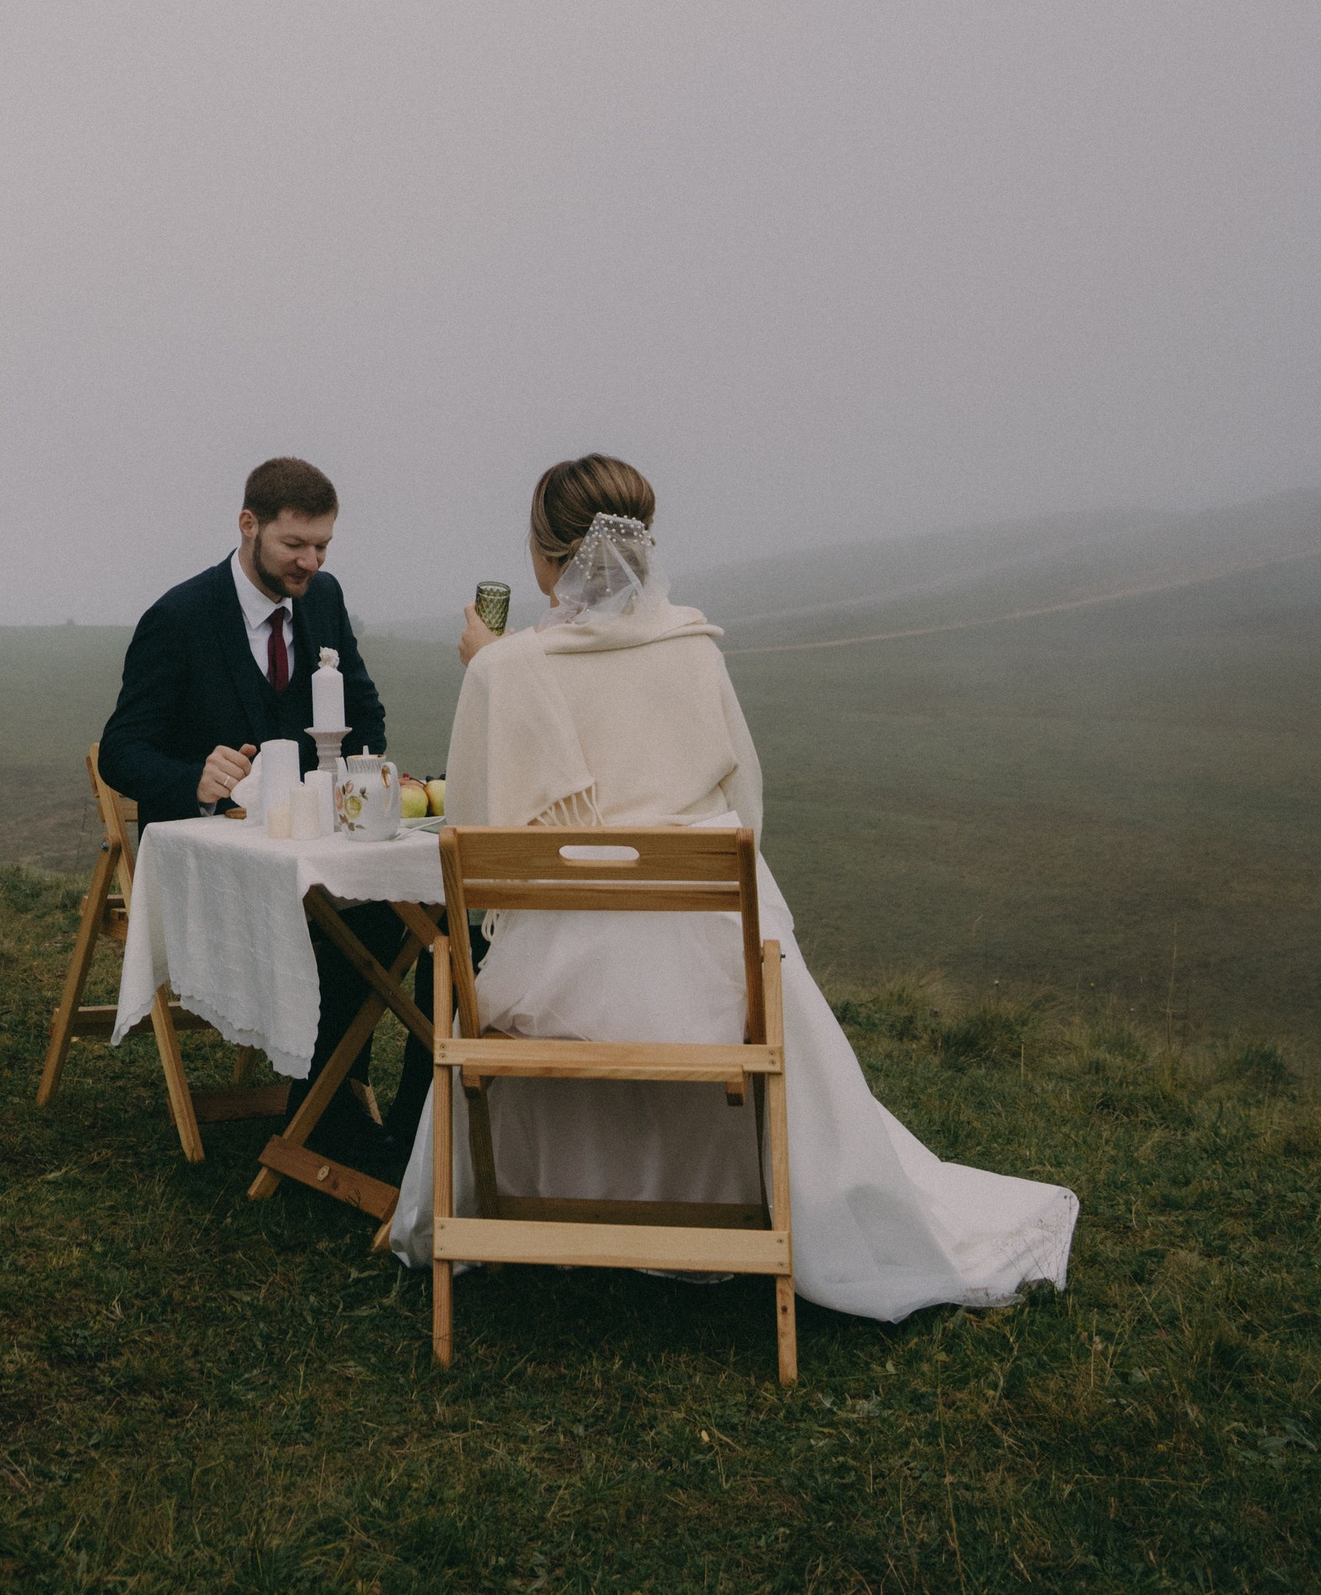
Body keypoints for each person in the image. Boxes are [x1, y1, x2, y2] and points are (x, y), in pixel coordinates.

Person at [388, 453, 1080, 1319]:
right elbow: (744, 801)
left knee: (493, 969)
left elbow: (479, 833)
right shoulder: (692, 649)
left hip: (553, 982)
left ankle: (514, 1203)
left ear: (545, 556)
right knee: (761, 965)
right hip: (708, 979)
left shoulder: (503, 668)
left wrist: (494, 669)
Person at [100, 456, 430, 1183]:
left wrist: (361, 771)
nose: (310, 562)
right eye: (294, 545)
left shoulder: (325, 597)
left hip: (314, 855)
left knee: (409, 922)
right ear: (248, 525)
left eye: (322, 546)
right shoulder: (179, 617)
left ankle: (381, 1126)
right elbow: (122, 751)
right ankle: (330, 1123)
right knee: (361, 930)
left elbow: (365, 709)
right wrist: (193, 776)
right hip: (216, 869)